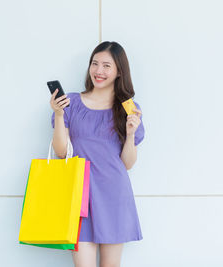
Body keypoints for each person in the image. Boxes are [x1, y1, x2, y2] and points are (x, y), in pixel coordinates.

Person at [49, 41, 145, 267]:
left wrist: (130, 135)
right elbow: (62, 152)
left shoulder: (128, 108)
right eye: (95, 64)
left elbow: (127, 164)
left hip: (113, 194)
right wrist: (59, 115)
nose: (98, 71)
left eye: (106, 66)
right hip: (78, 196)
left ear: (119, 71)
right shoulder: (70, 102)